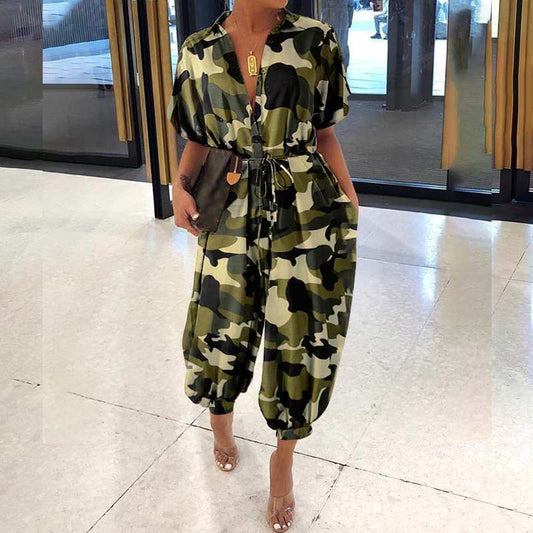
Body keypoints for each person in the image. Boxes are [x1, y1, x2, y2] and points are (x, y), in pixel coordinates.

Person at [167, 1, 359, 531]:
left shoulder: (316, 40)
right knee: (219, 321)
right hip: (228, 207)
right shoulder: (198, 51)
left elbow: (325, 132)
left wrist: (349, 201)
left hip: (305, 208)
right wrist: (178, 186)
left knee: (303, 333)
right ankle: (220, 422)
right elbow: (198, 137)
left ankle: (283, 461)